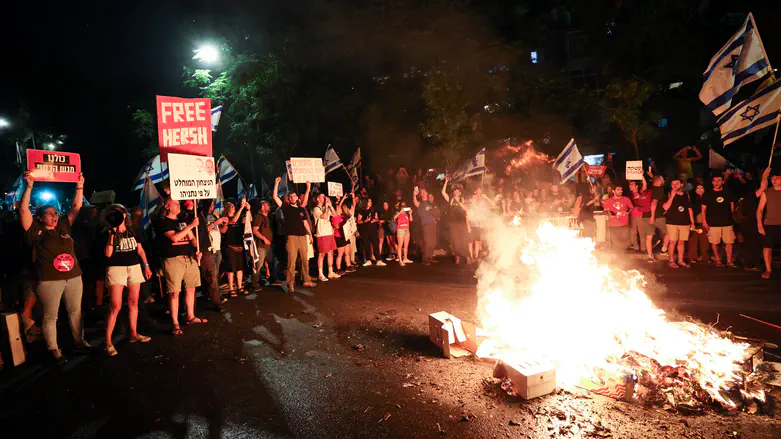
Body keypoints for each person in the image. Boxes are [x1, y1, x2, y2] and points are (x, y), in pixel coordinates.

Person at [19, 171, 91, 364]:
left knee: (75, 311)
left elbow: (76, 206)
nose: (54, 216)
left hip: (74, 277)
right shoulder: (36, 231)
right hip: (50, 280)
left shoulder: (64, 227)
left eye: (55, 213)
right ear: (40, 218)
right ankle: (54, 349)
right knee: (51, 316)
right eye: (49, 214)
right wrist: (29, 186)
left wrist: (79, 186)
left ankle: (79, 341)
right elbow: (24, 210)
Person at [102, 205, 153, 357]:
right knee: (115, 306)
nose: (116, 215)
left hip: (134, 267)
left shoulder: (133, 230)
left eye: (119, 213)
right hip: (116, 269)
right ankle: (108, 342)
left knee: (134, 302)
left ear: (124, 215)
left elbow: (140, 249)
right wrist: (112, 234)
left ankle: (133, 333)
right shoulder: (107, 232)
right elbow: (108, 254)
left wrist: (146, 266)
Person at [156, 197, 206, 336]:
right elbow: (174, 238)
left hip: (189, 258)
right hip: (173, 260)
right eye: (176, 203)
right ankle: (175, 323)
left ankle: (191, 315)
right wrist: (191, 226)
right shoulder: (163, 222)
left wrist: (197, 248)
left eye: (179, 203)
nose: (179, 205)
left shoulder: (182, 221)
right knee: (174, 292)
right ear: (167, 206)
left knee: (191, 289)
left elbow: (193, 240)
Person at [272, 177, 317, 292]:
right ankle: (290, 283)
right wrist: (276, 184)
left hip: (302, 237)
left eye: (294, 196)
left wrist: (310, 235)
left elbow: (305, 222)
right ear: (289, 198)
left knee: (304, 260)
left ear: (297, 198)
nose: (292, 198)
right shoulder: (285, 208)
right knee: (291, 261)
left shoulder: (301, 209)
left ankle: (307, 280)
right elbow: (275, 197)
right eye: (290, 197)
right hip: (291, 237)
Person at [701, 175, 737, 267]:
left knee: (729, 242)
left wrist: (731, 217)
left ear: (722, 182)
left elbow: (732, 205)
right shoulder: (708, 194)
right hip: (713, 223)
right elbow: (703, 209)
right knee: (714, 242)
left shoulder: (728, 193)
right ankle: (718, 259)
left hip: (727, 222)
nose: (716, 182)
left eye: (719, 180)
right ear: (712, 182)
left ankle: (729, 261)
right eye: (714, 181)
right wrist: (704, 221)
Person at [663, 179, 695, 269]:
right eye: (673, 184)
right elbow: (665, 207)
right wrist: (672, 196)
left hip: (684, 222)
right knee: (673, 242)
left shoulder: (686, 195)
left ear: (681, 185)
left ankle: (681, 260)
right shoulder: (669, 194)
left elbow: (689, 209)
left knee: (681, 242)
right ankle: (671, 261)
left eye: (677, 183)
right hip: (672, 222)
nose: (675, 185)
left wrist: (692, 222)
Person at [757, 168, 781, 279]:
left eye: (776, 178)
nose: (774, 180)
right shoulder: (767, 192)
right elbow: (760, 209)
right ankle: (768, 269)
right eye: (772, 178)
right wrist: (759, 224)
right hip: (769, 224)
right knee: (767, 247)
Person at [221, 200, 249, 296]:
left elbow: (249, 221)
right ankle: (231, 288)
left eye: (234, 206)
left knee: (239, 268)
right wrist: (241, 208)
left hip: (239, 246)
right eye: (231, 206)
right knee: (231, 268)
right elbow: (233, 221)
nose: (234, 207)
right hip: (230, 247)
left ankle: (240, 286)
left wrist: (248, 210)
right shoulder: (225, 218)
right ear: (227, 208)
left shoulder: (239, 216)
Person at [441, 177, 471, 265]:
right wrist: (446, 181)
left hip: (461, 224)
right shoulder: (450, 199)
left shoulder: (462, 200)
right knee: (455, 241)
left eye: (457, 191)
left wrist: (459, 202)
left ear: (460, 193)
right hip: (453, 224)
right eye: (454, 191)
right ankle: (457, 257)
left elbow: (466, 210)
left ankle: (467, 257)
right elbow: (443, 192)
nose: (455, 192)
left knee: (464, 241)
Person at [312, 193, 340, 281]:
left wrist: (330, 206)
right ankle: (320, 274)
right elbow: (324, 216)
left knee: (330, 253)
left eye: (325, 197)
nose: (324, 198)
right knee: (321, 254)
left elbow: (335, 215)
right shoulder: (316, 209)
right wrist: (327, 206)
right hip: (322, 234)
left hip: (329, 233)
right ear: (317, 199)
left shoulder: (326, 208)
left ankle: (330, 271)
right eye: (322, 197)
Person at [252, 200, 275, 290]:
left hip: (268, 245)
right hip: (261, 246)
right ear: (262, 207)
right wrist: (264, 239)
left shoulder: (268, 217)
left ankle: (273, 280)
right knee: (258, 265)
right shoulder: (258, 217)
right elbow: (255, 230)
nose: (269, 206)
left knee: (271, 263)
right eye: (267, 205)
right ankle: (255, 284)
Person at [647, 175, 670, 262]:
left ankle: (650, 255)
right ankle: (664, 249)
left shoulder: (650, 189)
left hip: (647, 216)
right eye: (662, 179)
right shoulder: (659, 190)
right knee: (669, 232)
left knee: (649, 236)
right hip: (657, 216)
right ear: (659, 181)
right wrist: (653, 216)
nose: (663, 181)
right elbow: (654, 202)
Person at [356, 198, 386, 266]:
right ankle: (368, 260)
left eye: (371, 201)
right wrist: (365, 221)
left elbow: (377, 218)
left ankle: (378, 260)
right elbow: (358, 221)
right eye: (369, 201)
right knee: (366, 245)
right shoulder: (361, 211)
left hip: (373, 230)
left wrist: (376, 220)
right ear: (366, 202)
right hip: (365, 230)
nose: (370, 202)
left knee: (376, 245)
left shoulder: (373, 210)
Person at [331, 195, 355, 275]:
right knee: (340, 254)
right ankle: (338, 268)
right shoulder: (334, 218)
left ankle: (348, 265)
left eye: (340, 208)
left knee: (347, 252)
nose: (340, 209)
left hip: (345, 236)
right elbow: (337, 226)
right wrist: (346, 222)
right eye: (338, 208)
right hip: (339, 237)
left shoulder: (343, 216)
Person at [413, 187, 437, 265]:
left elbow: (434, 211)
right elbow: (415, 202)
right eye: (421, 192)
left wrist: (435, 219)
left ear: (426, 193)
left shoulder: (430, 202)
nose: (423, 193)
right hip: (426, 224)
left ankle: (430, 257)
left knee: (433, 241)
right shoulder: (420, 203)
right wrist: (414, 195)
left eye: (424, 192)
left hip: (432, 224)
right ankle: (425, 259)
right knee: (426, 242)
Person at [605, 185, 633, 251]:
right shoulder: (608, 201)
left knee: (624, 244)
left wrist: (628, 212)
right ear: (613, 191)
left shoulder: (626, 199)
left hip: (624, 225)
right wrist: (609, 214)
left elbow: (631, 208)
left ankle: (622, 258)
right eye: (618, 189)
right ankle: (616, 259)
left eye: (621, 189)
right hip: (613, 226)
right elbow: (606, 211)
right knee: (615, 244)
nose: (621, 191)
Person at [688, 183, 710, 264]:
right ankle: (692, 257)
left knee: (705, 241)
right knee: (693, 240)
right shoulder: (693, 199)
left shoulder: (708, 198)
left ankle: (705, 257)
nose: (700, 190)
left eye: (701, 188)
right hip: (695, 221)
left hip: (705, 222)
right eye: (698, 188)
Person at [628, 175, 650, 253]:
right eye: (629, 185)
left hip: (641, 215)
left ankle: (643, 248)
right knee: (633, 233)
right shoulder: (629, 194)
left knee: (642, 233)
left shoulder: (641, 192)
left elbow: (645, 185)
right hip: (632, 216)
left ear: (636, 186)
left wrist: (642, 175)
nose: (630, 186)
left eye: (631, 185)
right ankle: (636, 248)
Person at [394, 202, 413, 266]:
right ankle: (400, 260)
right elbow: (394, 218)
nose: (403, 207)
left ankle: (405, 258)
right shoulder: (398, 213)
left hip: (406, 229)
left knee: (406, 245)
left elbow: (411, 220)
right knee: (400, 245)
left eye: (404, 205)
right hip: (400, 229)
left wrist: (410, 214)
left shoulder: (406, 214)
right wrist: (400, 212)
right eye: (402, 205)